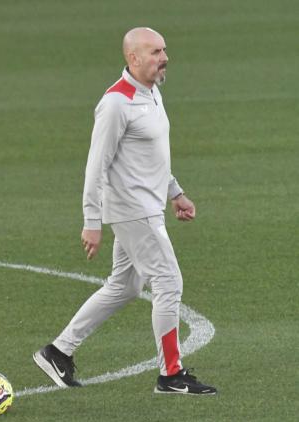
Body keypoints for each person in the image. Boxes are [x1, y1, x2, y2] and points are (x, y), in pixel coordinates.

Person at [33, 28, 217, 395]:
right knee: (168, 283)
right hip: (134, 211)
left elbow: (150, 158)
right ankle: (171, 375)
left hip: (148, 205)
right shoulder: (116, 103)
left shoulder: (152, 92)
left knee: (125, 286)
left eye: (164, 50)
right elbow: (95, 167)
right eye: (155, 52)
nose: (164, 57)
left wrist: (175, 192)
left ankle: (57, 351)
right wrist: (91, 221)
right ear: (133, 58)